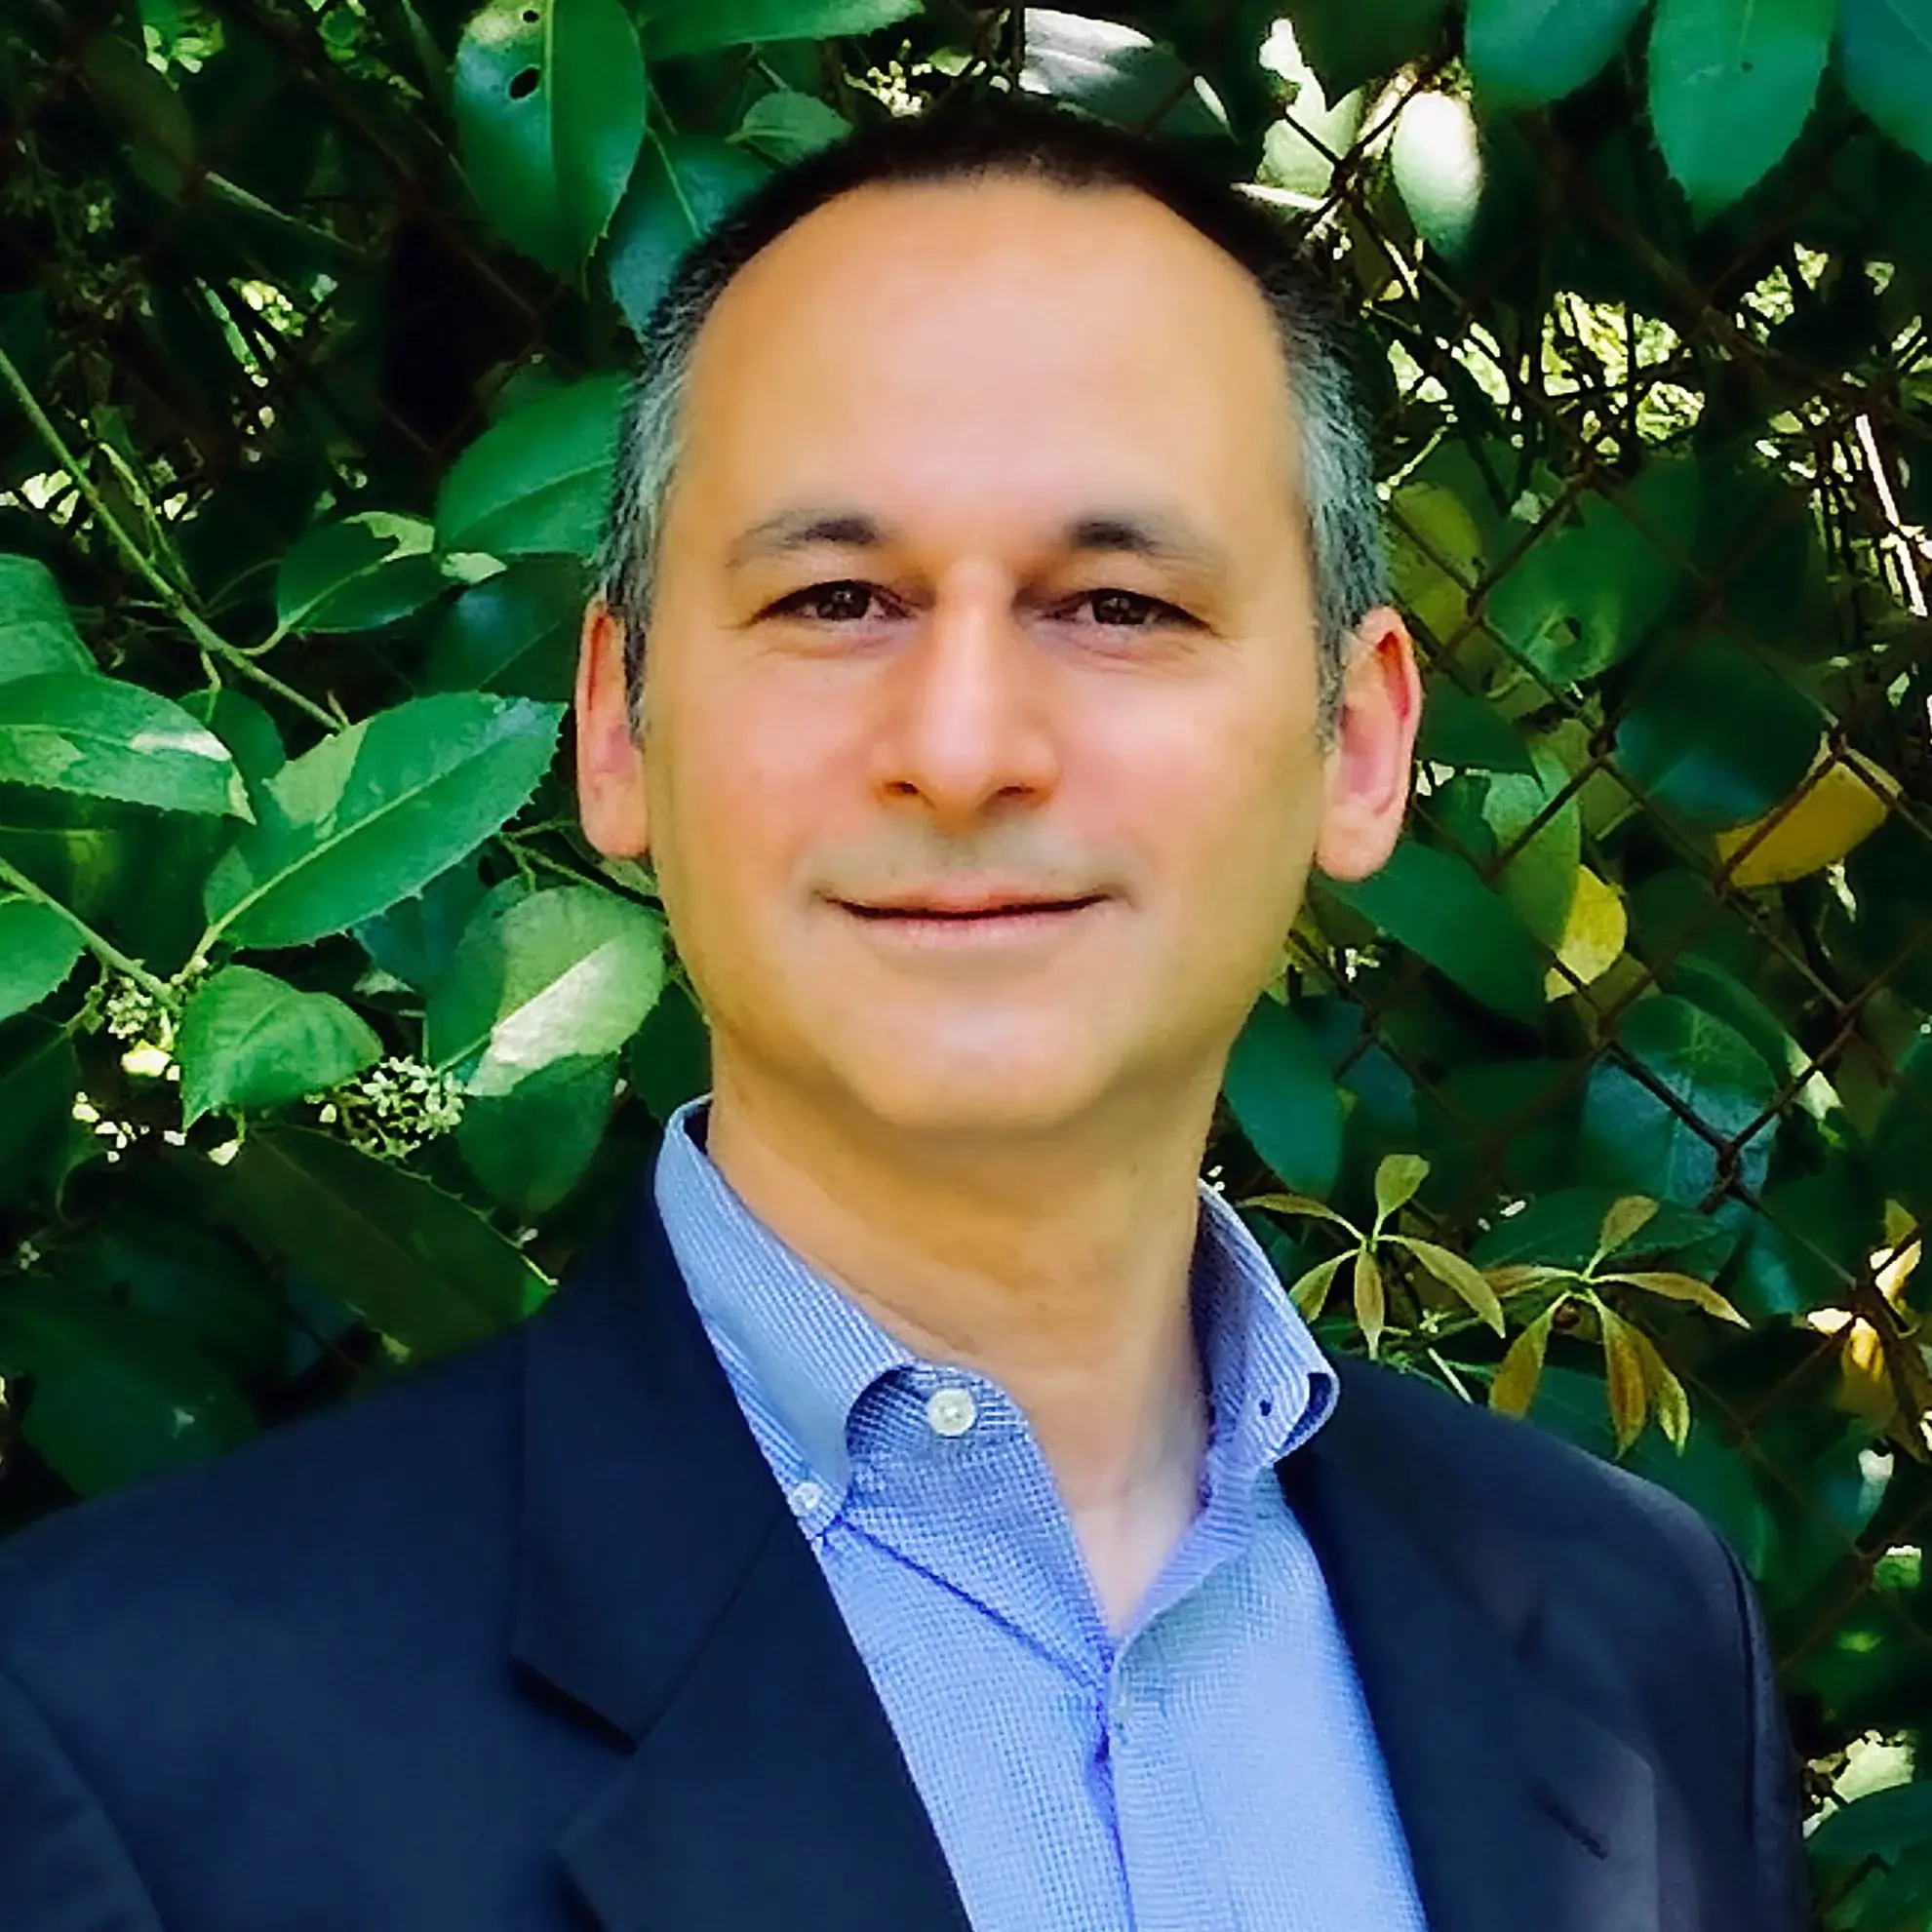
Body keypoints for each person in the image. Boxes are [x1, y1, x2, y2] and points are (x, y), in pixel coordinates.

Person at [0, 92, 1806, 1932]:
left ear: (1358, 743)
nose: (961, 751)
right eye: (838, 596)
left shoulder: (1639, 1647)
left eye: (1114, 605)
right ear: (621, 726)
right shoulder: (121, 1740)